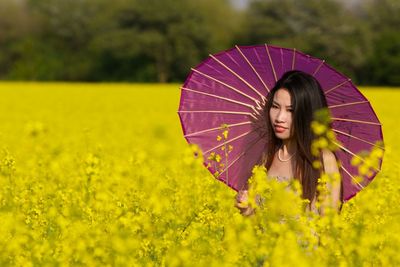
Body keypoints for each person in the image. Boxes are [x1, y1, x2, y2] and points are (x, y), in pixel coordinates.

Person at [235, 70, 342, 216]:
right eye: (275, 107)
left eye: (290, 110)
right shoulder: (268, 155)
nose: (279, 117)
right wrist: (247, 210)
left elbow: (329, 229)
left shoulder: (323, 160)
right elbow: (258, 222)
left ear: (307, 114)